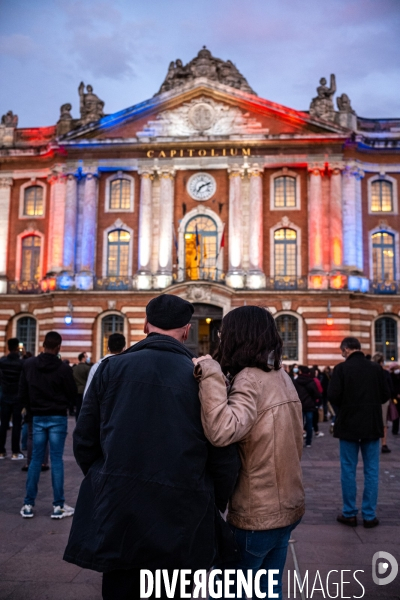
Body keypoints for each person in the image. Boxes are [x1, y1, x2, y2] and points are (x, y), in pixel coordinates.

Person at [64, 294, 240, 600]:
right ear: (187, 330)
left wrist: (105, 478)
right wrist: (212, 501)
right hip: (183, 511)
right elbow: (222, 454)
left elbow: (84, 440)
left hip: (119, 509)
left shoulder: (110, 369)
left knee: (121, 587)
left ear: (146, 324)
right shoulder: (203, 378)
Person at [192, 306, 305, 600]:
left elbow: (222, 430)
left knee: (231, 591)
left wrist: (210, 374)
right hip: (288, 505)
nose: (220, 337)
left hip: (258, 512)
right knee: (270, 589)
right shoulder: (280, 376)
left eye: (223, 332)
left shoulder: (249, 379)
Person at [328, 337, 391, 528]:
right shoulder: (375, 368)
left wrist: (344, 409)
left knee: (348, 469)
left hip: (348, 425)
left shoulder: (341, 369)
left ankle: (350, 513)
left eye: (342, 351)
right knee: (372, 470)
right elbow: (385, 395)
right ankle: (369, 515)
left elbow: (332, 395)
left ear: (346, 349)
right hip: (371, 425)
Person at [19, 331, 77, 519]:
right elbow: (72, 394)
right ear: (58, 347)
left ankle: (28, 504)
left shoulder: (29, 365)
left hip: (37, 416)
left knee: (35, 459)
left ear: (43, 345)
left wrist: (30, 410)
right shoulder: (63, 368)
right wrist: (64, 406)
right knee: (57, 460)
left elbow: (23, 392)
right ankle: (58, 506)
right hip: (57, 417)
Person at [0, 338, 24, 460]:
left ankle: (1, 451)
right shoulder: (21, 363)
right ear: (16, 348)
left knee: (3, 424)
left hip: (5, 396)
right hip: (17, 398)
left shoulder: (2, 361)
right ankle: (15, 451)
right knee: (16, 425)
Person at [83, 333, 126, 397]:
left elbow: (88, 394)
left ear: (108, 348)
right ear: (124, 348)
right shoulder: (127, 367)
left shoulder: (96, 367)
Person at [293, 366, 321, 448]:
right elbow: (316, 394)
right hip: (309, 405)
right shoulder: (311, 382)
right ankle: (308, 442)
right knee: (309, 424)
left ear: (300, 372)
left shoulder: (296, 381)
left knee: (298, 424)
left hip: (299, 405)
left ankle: (298, 442)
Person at [372, 353, 393, 454]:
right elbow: (389, 389)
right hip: (383, 401)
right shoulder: (384, 373)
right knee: (383, 423)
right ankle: (383, 443)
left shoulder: (369, 372)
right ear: (381, 362)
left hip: (371, 400)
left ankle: (373, 442)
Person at [72, 352, 91, 420]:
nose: (87, 358)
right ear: (83, 358)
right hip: (85, 391)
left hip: (76, 391)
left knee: (78, 408)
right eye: (86, 357)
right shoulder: (87, 368)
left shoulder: (74, 368)